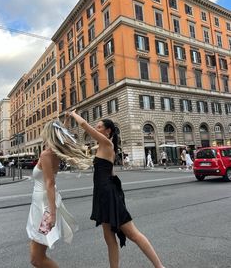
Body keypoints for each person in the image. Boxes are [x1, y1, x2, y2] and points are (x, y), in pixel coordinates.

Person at [70, 110, 165, 268]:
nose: (96, 128)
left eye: (99, 127)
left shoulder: (107, 144)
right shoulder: (102, 147)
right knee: (108, 237)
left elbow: (84, 125)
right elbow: (110, 171)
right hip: (103, 194)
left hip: (108, 194)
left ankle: (159, 266)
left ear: (108, 131)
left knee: (132, 233)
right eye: (97, 126)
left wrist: (73, 114)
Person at [26, 119, 92, 267]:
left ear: (48, 133)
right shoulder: (53, 153)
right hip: (41, 206)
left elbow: (50, 183)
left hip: (44, 209)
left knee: (37, 259)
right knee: (35, 255)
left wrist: (52, 214)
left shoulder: (46, 154)